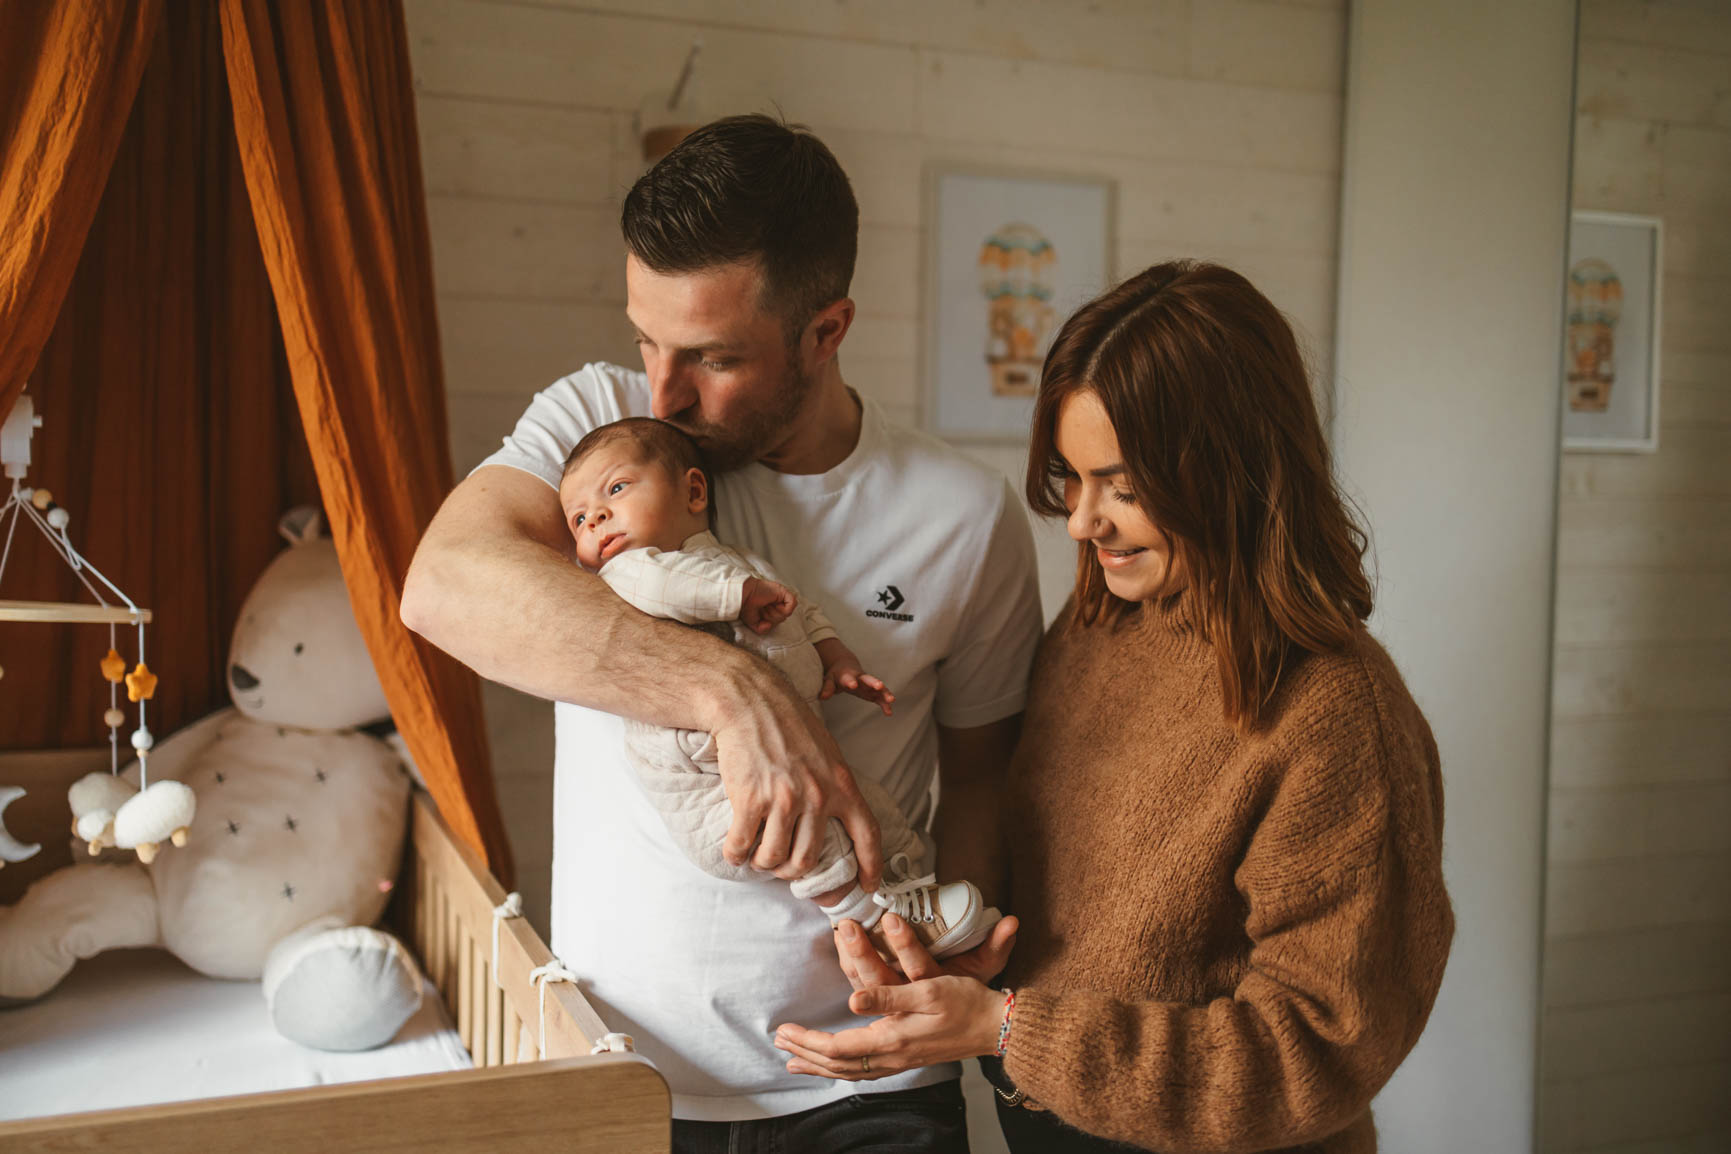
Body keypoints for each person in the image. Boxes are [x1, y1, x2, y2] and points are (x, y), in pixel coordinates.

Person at [400, 114, 1040, 1150]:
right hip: (623, 1079)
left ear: (824, 331)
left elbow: (982, 774)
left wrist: (939, 958)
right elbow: (442, 586)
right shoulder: (601, 432)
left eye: (710, 356)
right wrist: (727, 689)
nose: (663, 389)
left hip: (870, 1087)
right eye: (647, 337)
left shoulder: (963, 515)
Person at [773, 261, 1455, 1154]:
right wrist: (968, 945)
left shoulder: (1337, 712)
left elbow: (1315, 1052)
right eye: (1071, 477)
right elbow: (1072, 908)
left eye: (1123, 488)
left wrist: (1006, 1029)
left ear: (1231, 473)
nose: (1081, 523)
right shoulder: (1099, 627)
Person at [559, 416, 1002, 957]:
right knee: (814, 834)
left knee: (870, 805)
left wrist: (836, 661)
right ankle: (871, 922)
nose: (596, 517)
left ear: (693, 490)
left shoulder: (738, 563)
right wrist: (738, 597)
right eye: (579, 518)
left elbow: (800, 610)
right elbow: (672, 588)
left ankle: (912, 887)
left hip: (786, 762)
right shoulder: (631, 573)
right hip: (707, 787)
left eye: (616, 489)